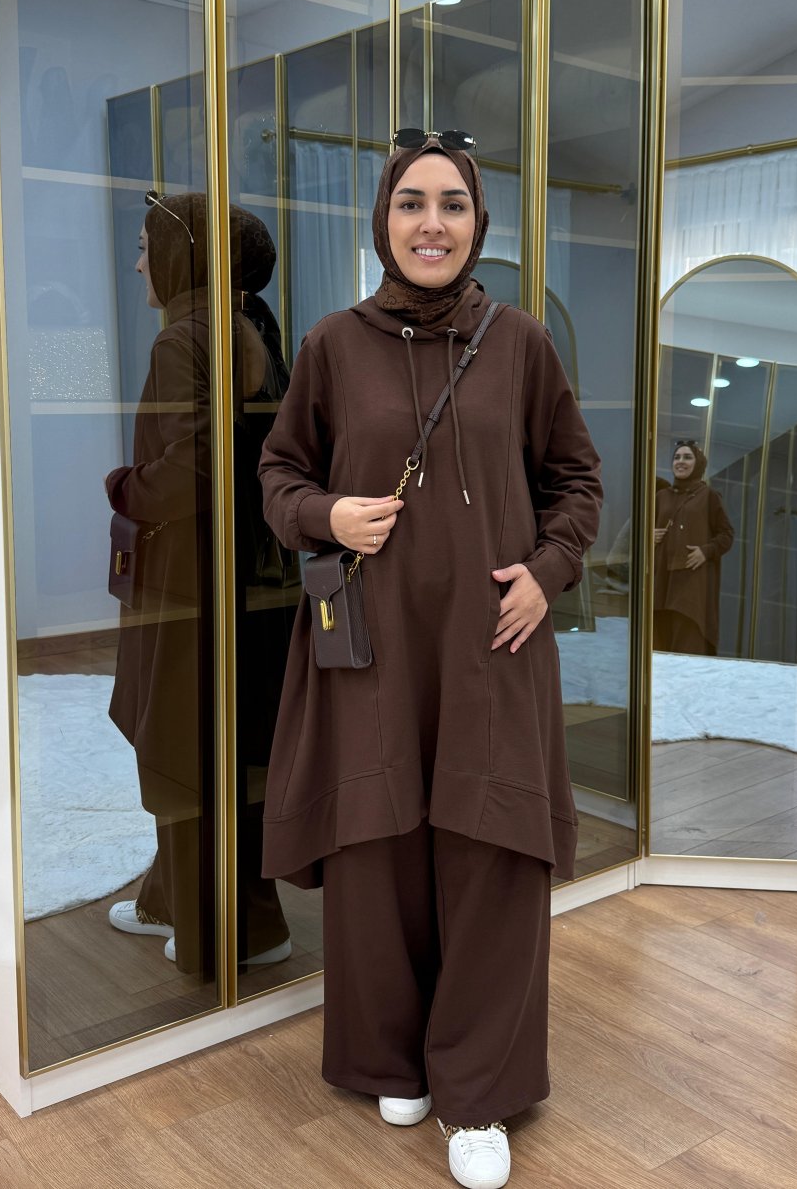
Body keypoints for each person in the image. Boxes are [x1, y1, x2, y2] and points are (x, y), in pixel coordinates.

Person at [258, 133, 603, 1189]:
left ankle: (479, 1089)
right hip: (372, 645)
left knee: (490, 851)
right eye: (411, 202)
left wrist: (548, 570)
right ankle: (389, 1057)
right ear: (383, 220)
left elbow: (577, 479)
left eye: (452, 204)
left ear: (477, 223)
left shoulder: (521, 344)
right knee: (379, 849)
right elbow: (278, 473)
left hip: (490, 645)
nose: (431, 223)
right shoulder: (331, 344)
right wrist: (325, 514)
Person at [106, 191, 292, 976]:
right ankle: (174, 898)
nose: (138, 264)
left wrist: (125, 486)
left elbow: (194, 467)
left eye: (145, 247)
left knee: (182, 747)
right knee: (216, 744)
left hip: (190, 580)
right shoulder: (252, 326)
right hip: (242, 573)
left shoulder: (182, 339)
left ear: (180, 256)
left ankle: (236, 927)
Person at [653, 439, 733, 656]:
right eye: (677, 457)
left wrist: (705, 552)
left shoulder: (709, 497)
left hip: (691, 586)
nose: (680, 461)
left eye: (687, 457)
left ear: (698, 464)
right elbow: (640, 534)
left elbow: (727, 534)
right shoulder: (661, 497)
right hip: (661, 584)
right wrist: (648, 536)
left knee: (687, 646)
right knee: (658, 647)